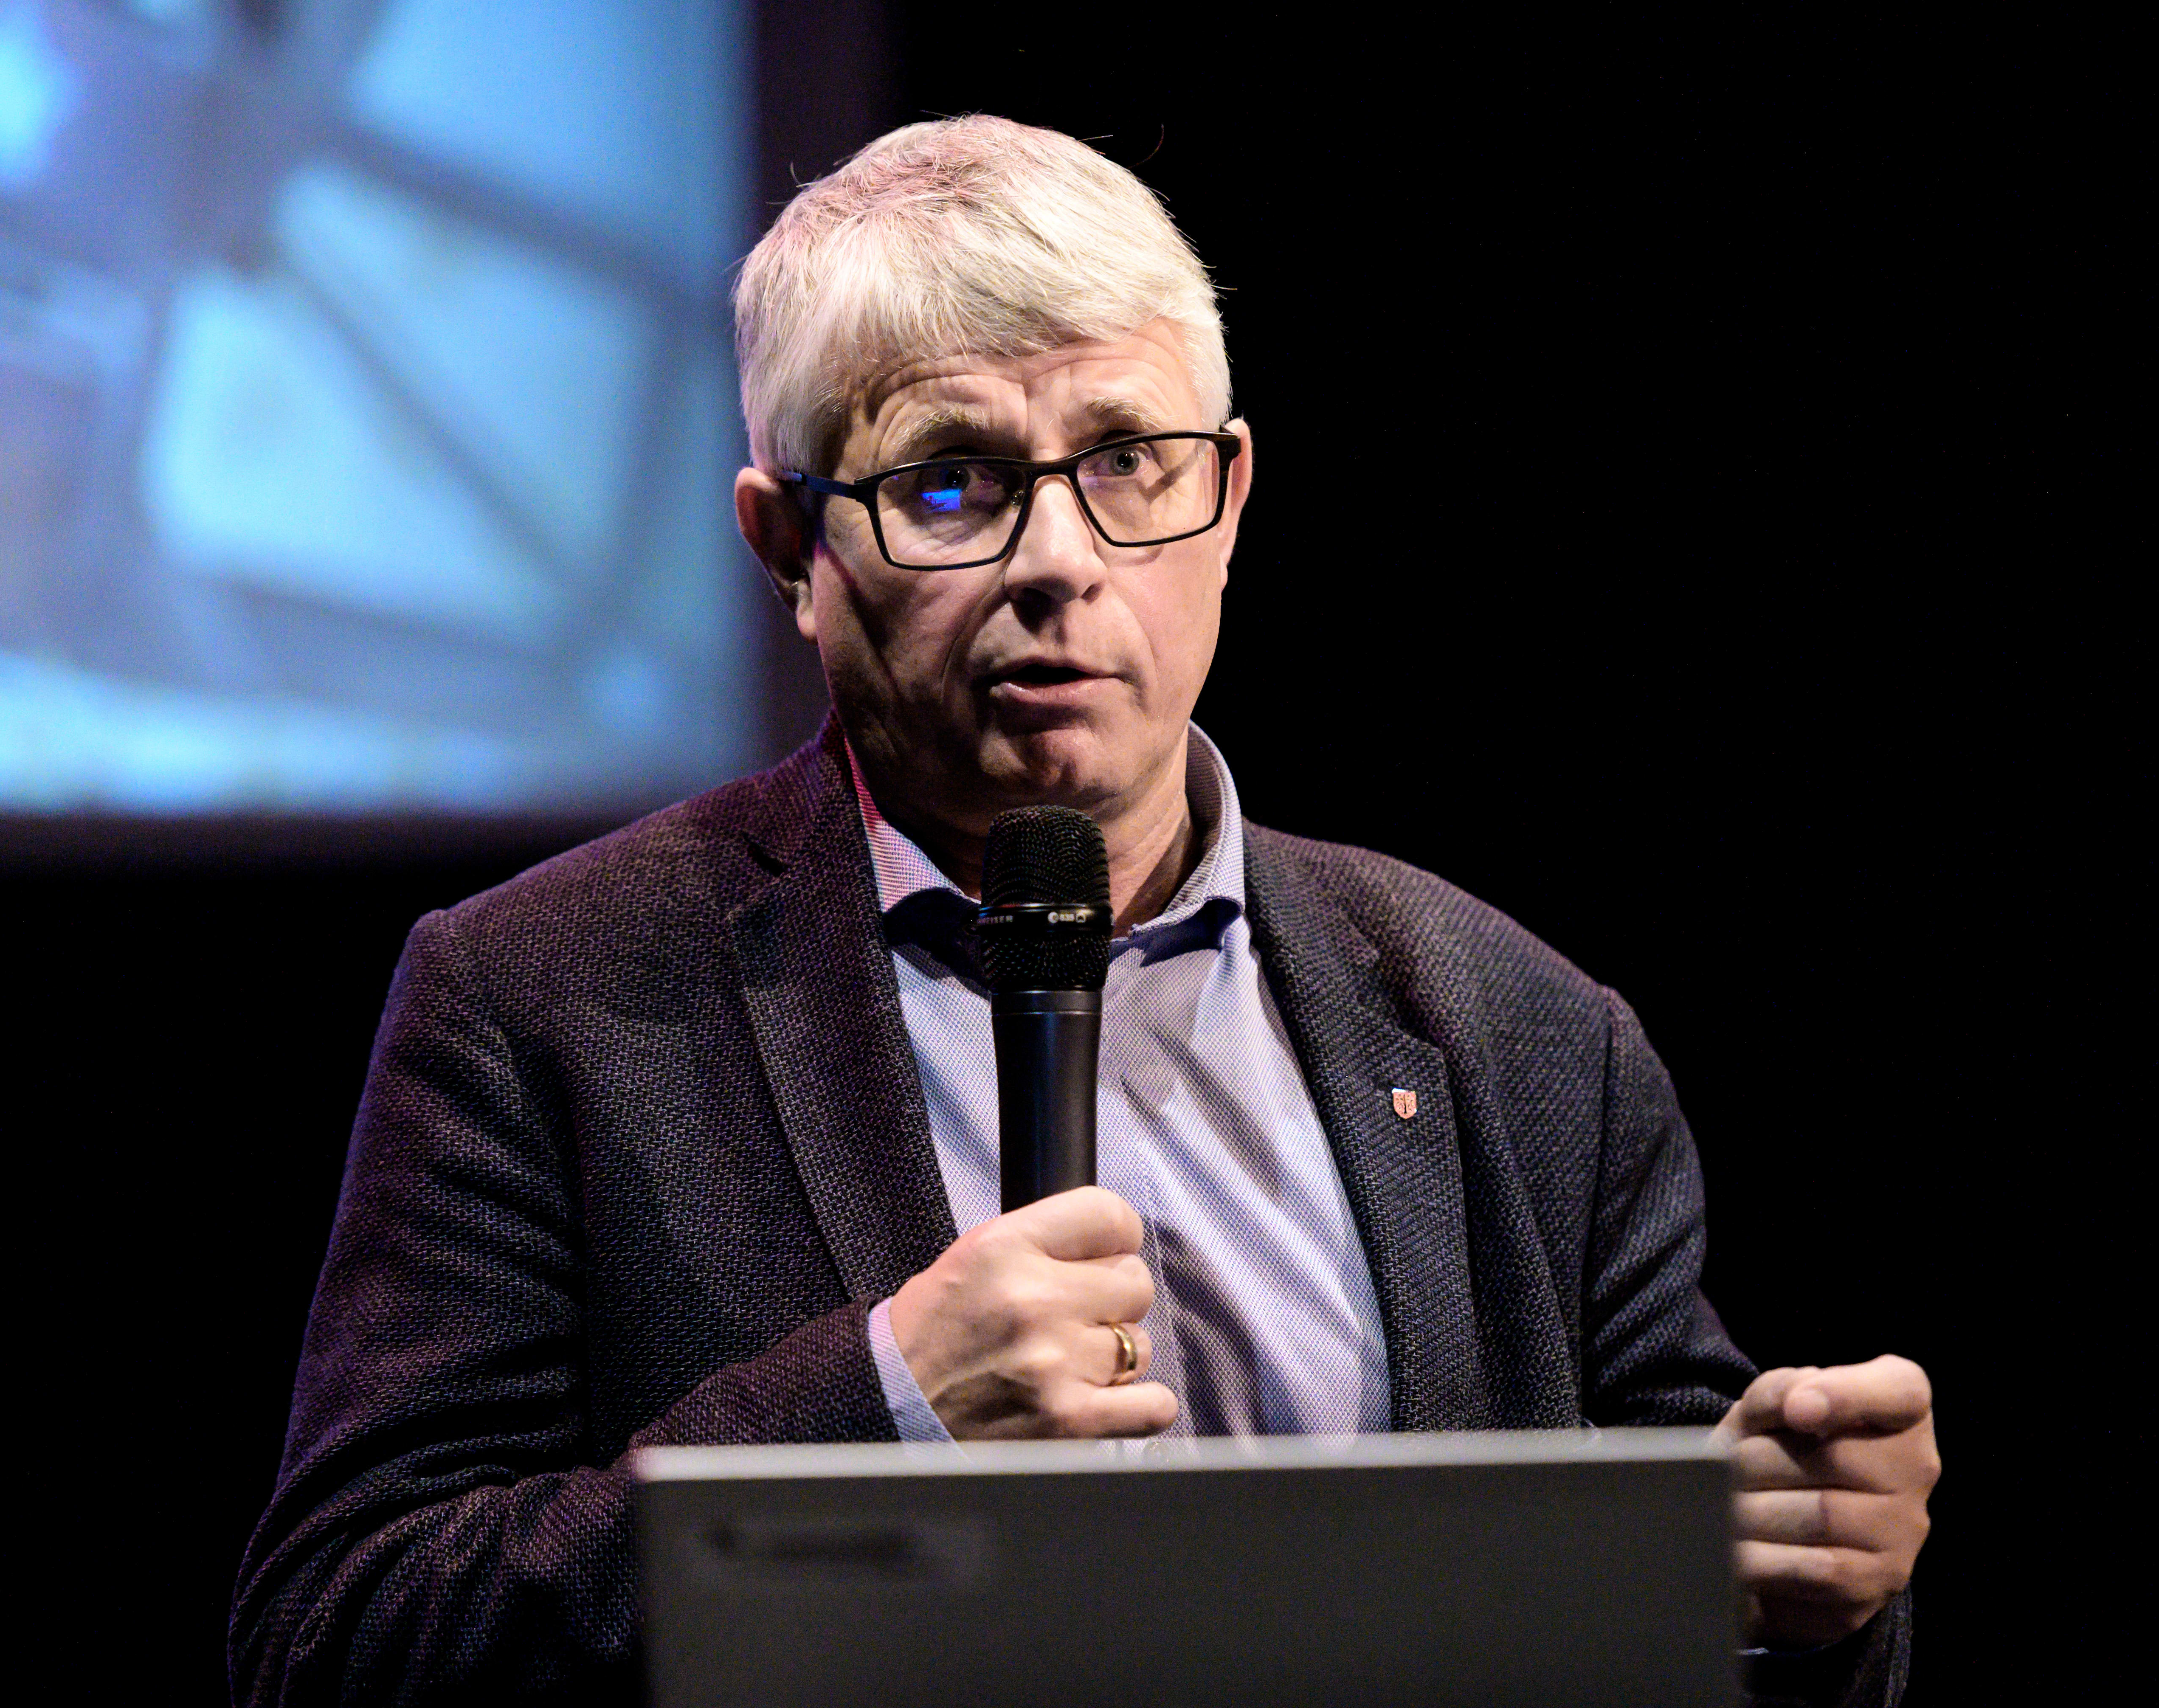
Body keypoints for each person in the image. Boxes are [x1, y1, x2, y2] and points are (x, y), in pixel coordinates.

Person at [231, 115, 1938, 1707]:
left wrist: (1813, 1581)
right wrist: (879, 1408)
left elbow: (1711, 1605)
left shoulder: (1519, 1028)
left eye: (1127, 459)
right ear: (788, 550)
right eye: (951, 482)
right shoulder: (547, 999)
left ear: (1232, 500)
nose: (1060, 559)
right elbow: (337, 1631)